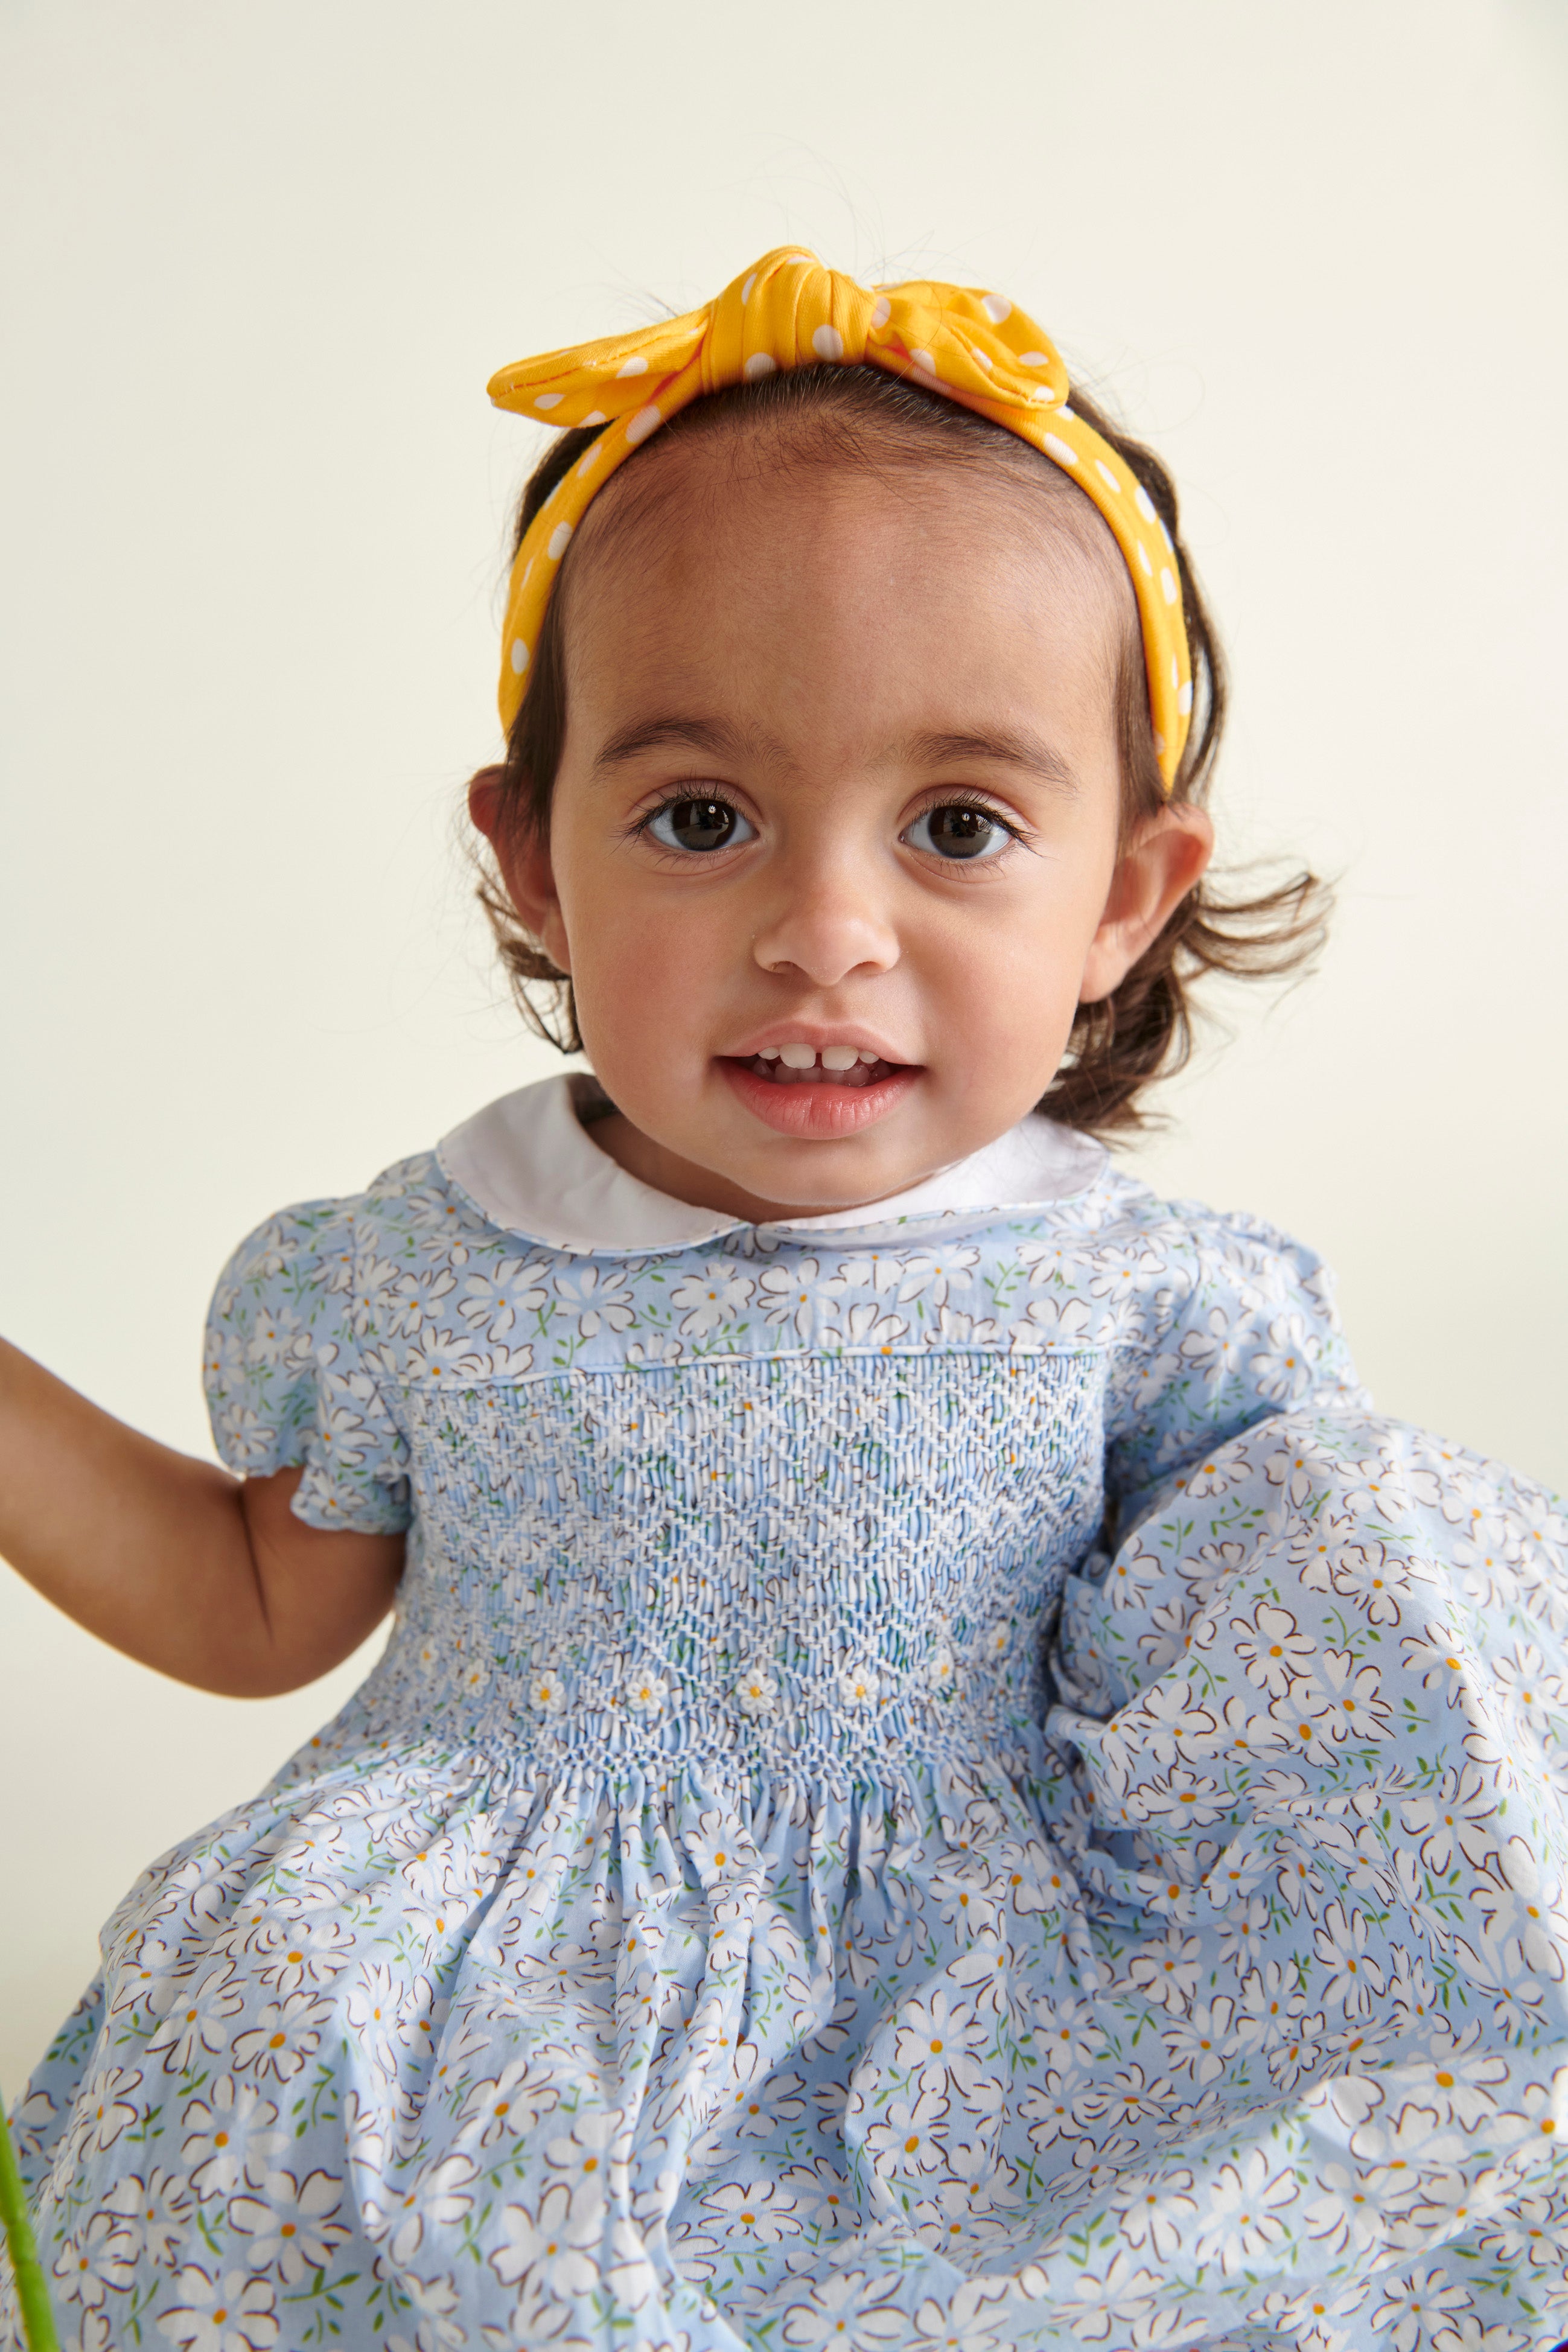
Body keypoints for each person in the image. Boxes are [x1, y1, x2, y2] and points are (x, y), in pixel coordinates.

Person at [2, 248, 1565, 2352]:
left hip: (963, 2007)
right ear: (534, 857)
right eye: (702, 816)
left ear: (1124, 896)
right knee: (302, 2084)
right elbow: (251, 1602)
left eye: (958, 825)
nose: (826, 927)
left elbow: (1283, 1690)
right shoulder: (428, 1264)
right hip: (494, 1999)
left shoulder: (1139, 1308)